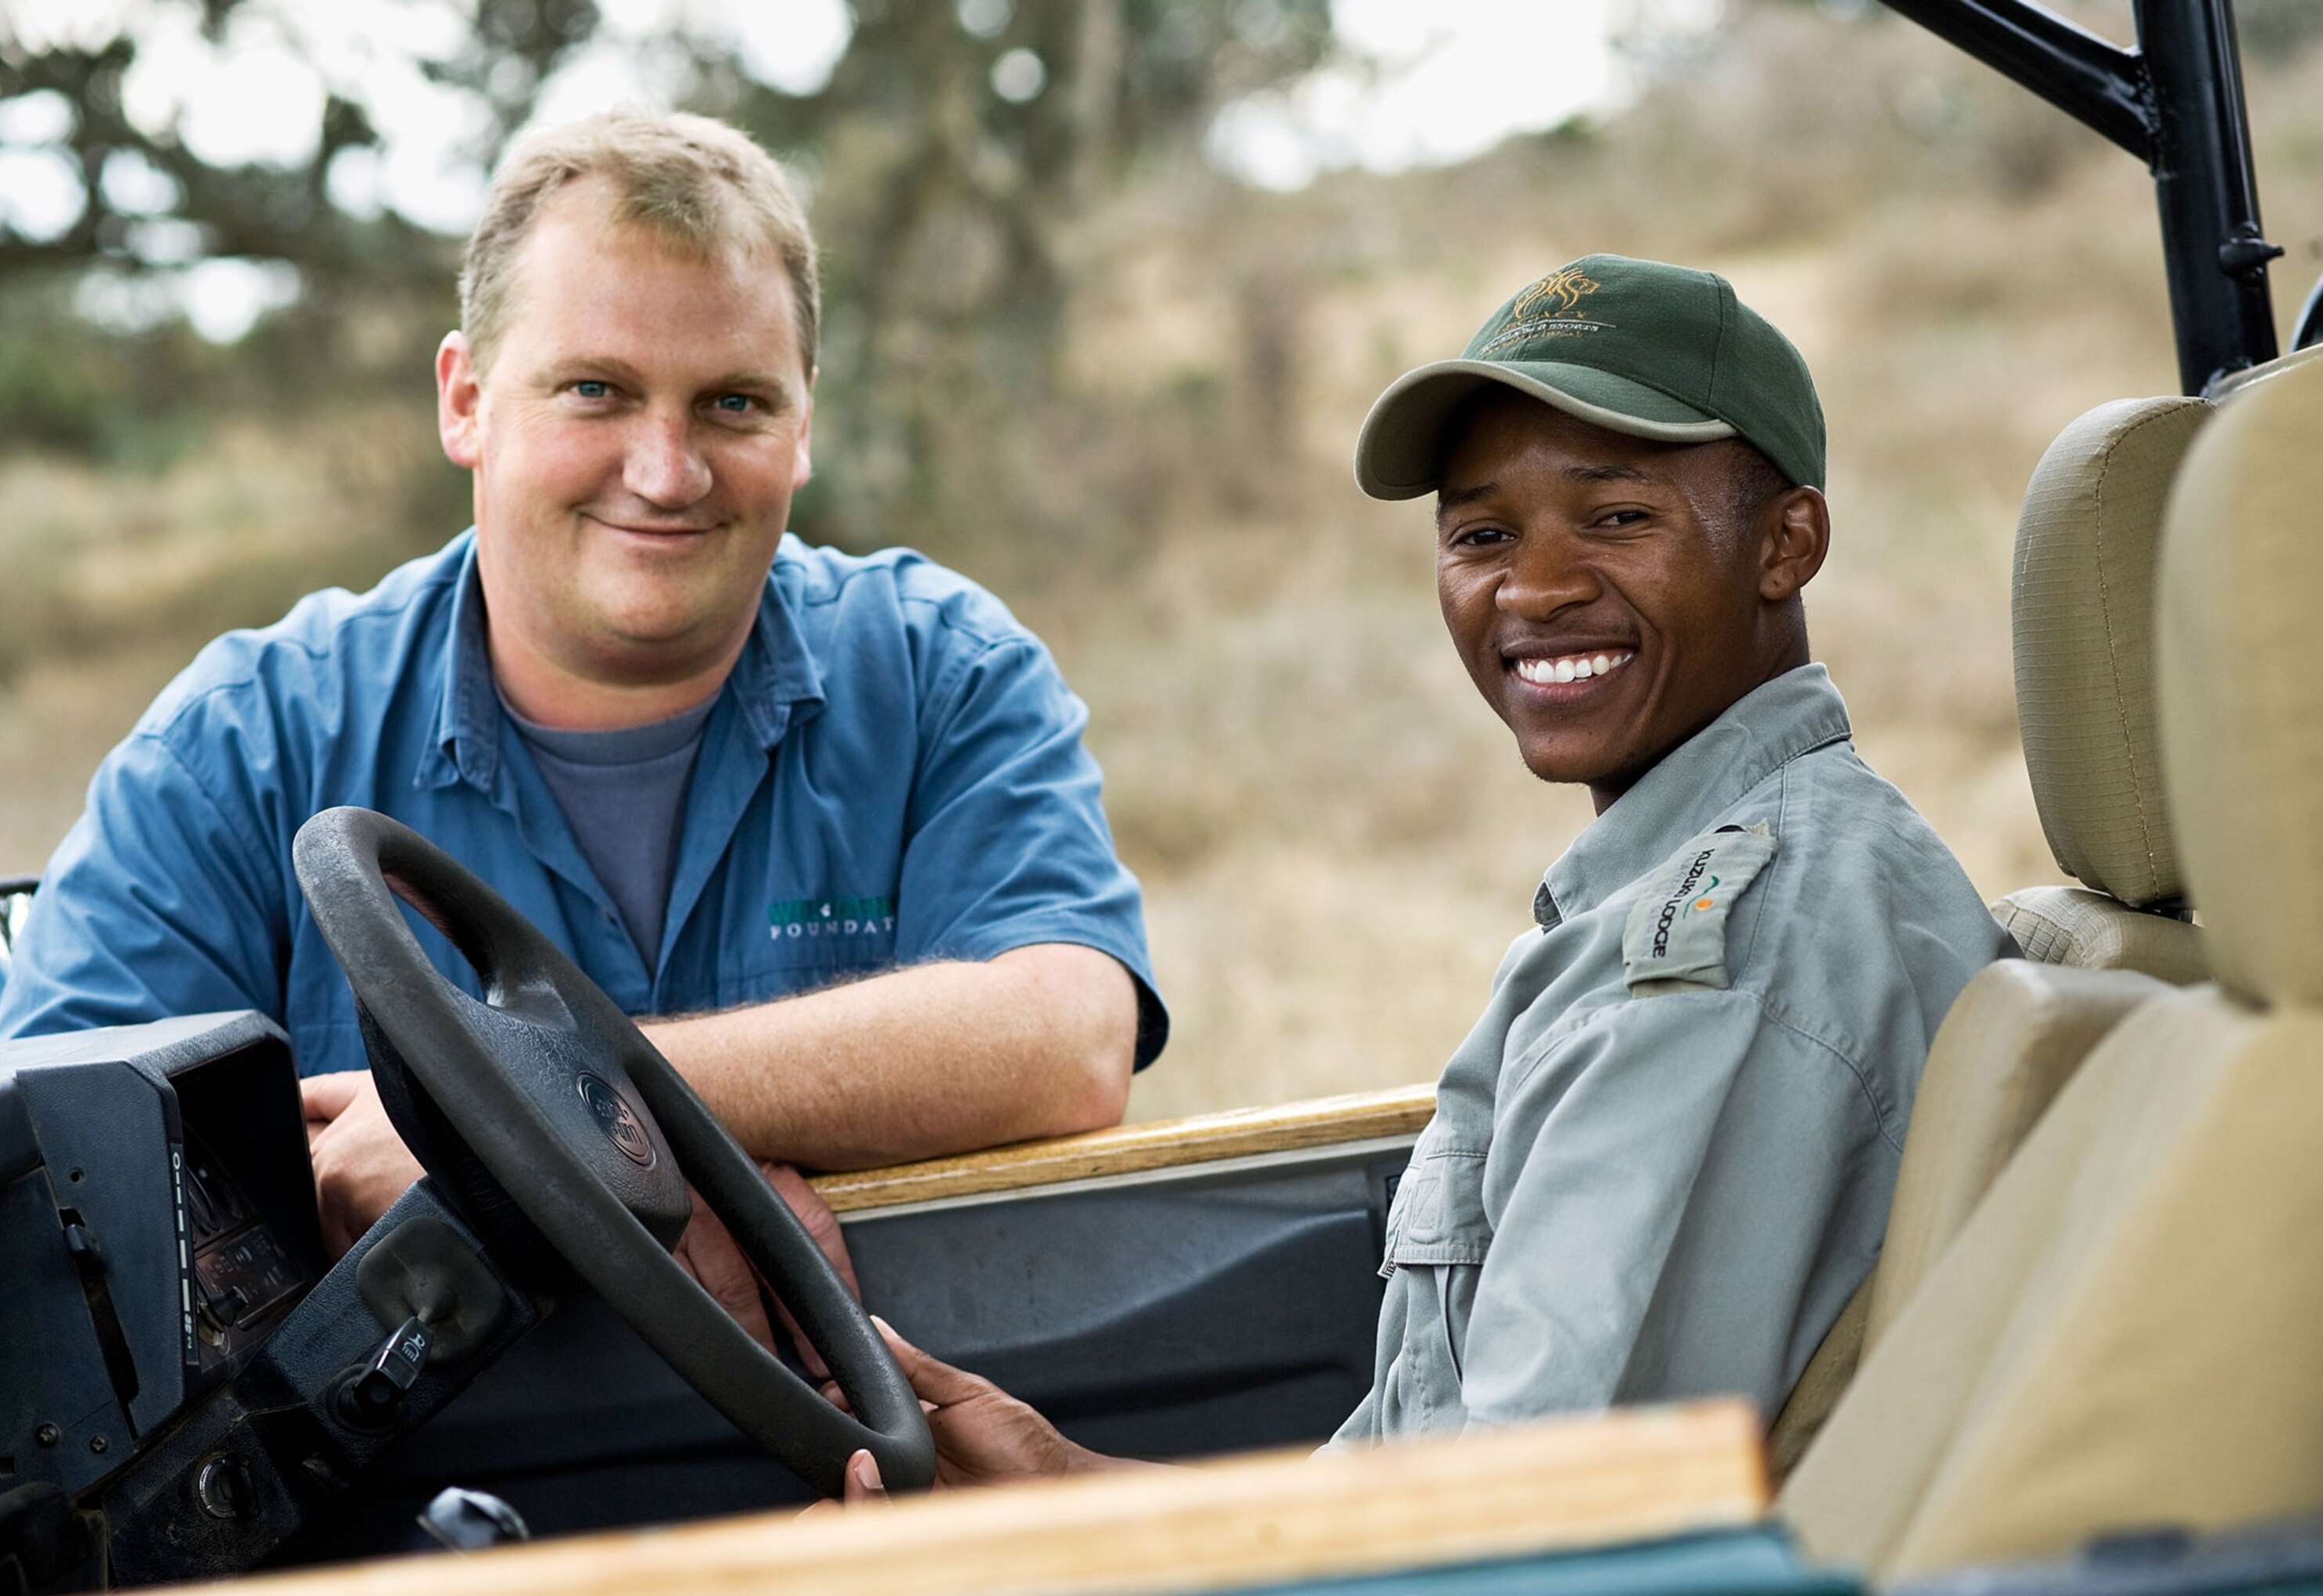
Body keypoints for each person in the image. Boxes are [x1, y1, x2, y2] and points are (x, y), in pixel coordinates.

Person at [823, 254, 2011, 1497]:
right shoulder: (1688, 883)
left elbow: (1528, 1532)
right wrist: (1066, 1491)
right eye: (1482, 533)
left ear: (1786, 544)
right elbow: (1437, 1488)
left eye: (1617, 519)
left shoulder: (1732, 956)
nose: (1532, 588)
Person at [0, 111, 1165, 1291]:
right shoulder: (240, 748)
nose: (666, 471)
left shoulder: (940, 673)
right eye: (596, 390)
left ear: (804, 422)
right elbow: (42, 1197)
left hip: (873, 1443)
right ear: (466, 400)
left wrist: (538, 1116)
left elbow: (1065, 1040)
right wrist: (689, 1159)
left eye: (734, 403)